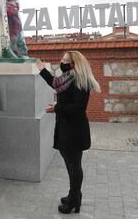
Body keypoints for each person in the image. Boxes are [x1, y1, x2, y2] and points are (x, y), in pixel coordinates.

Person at [36, 51, 100, 214]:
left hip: (74, 130)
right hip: (67, 128)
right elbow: (55, 83)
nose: (62, 62)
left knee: (74, 166)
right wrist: (42, 70)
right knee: (71, 164)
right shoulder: (68, 78)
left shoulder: (80, 80)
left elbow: (79, 108)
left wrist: (56, 108)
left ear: (74, 63)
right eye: (62, 59)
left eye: (66, 60)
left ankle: (74, 200)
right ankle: (74, 195)